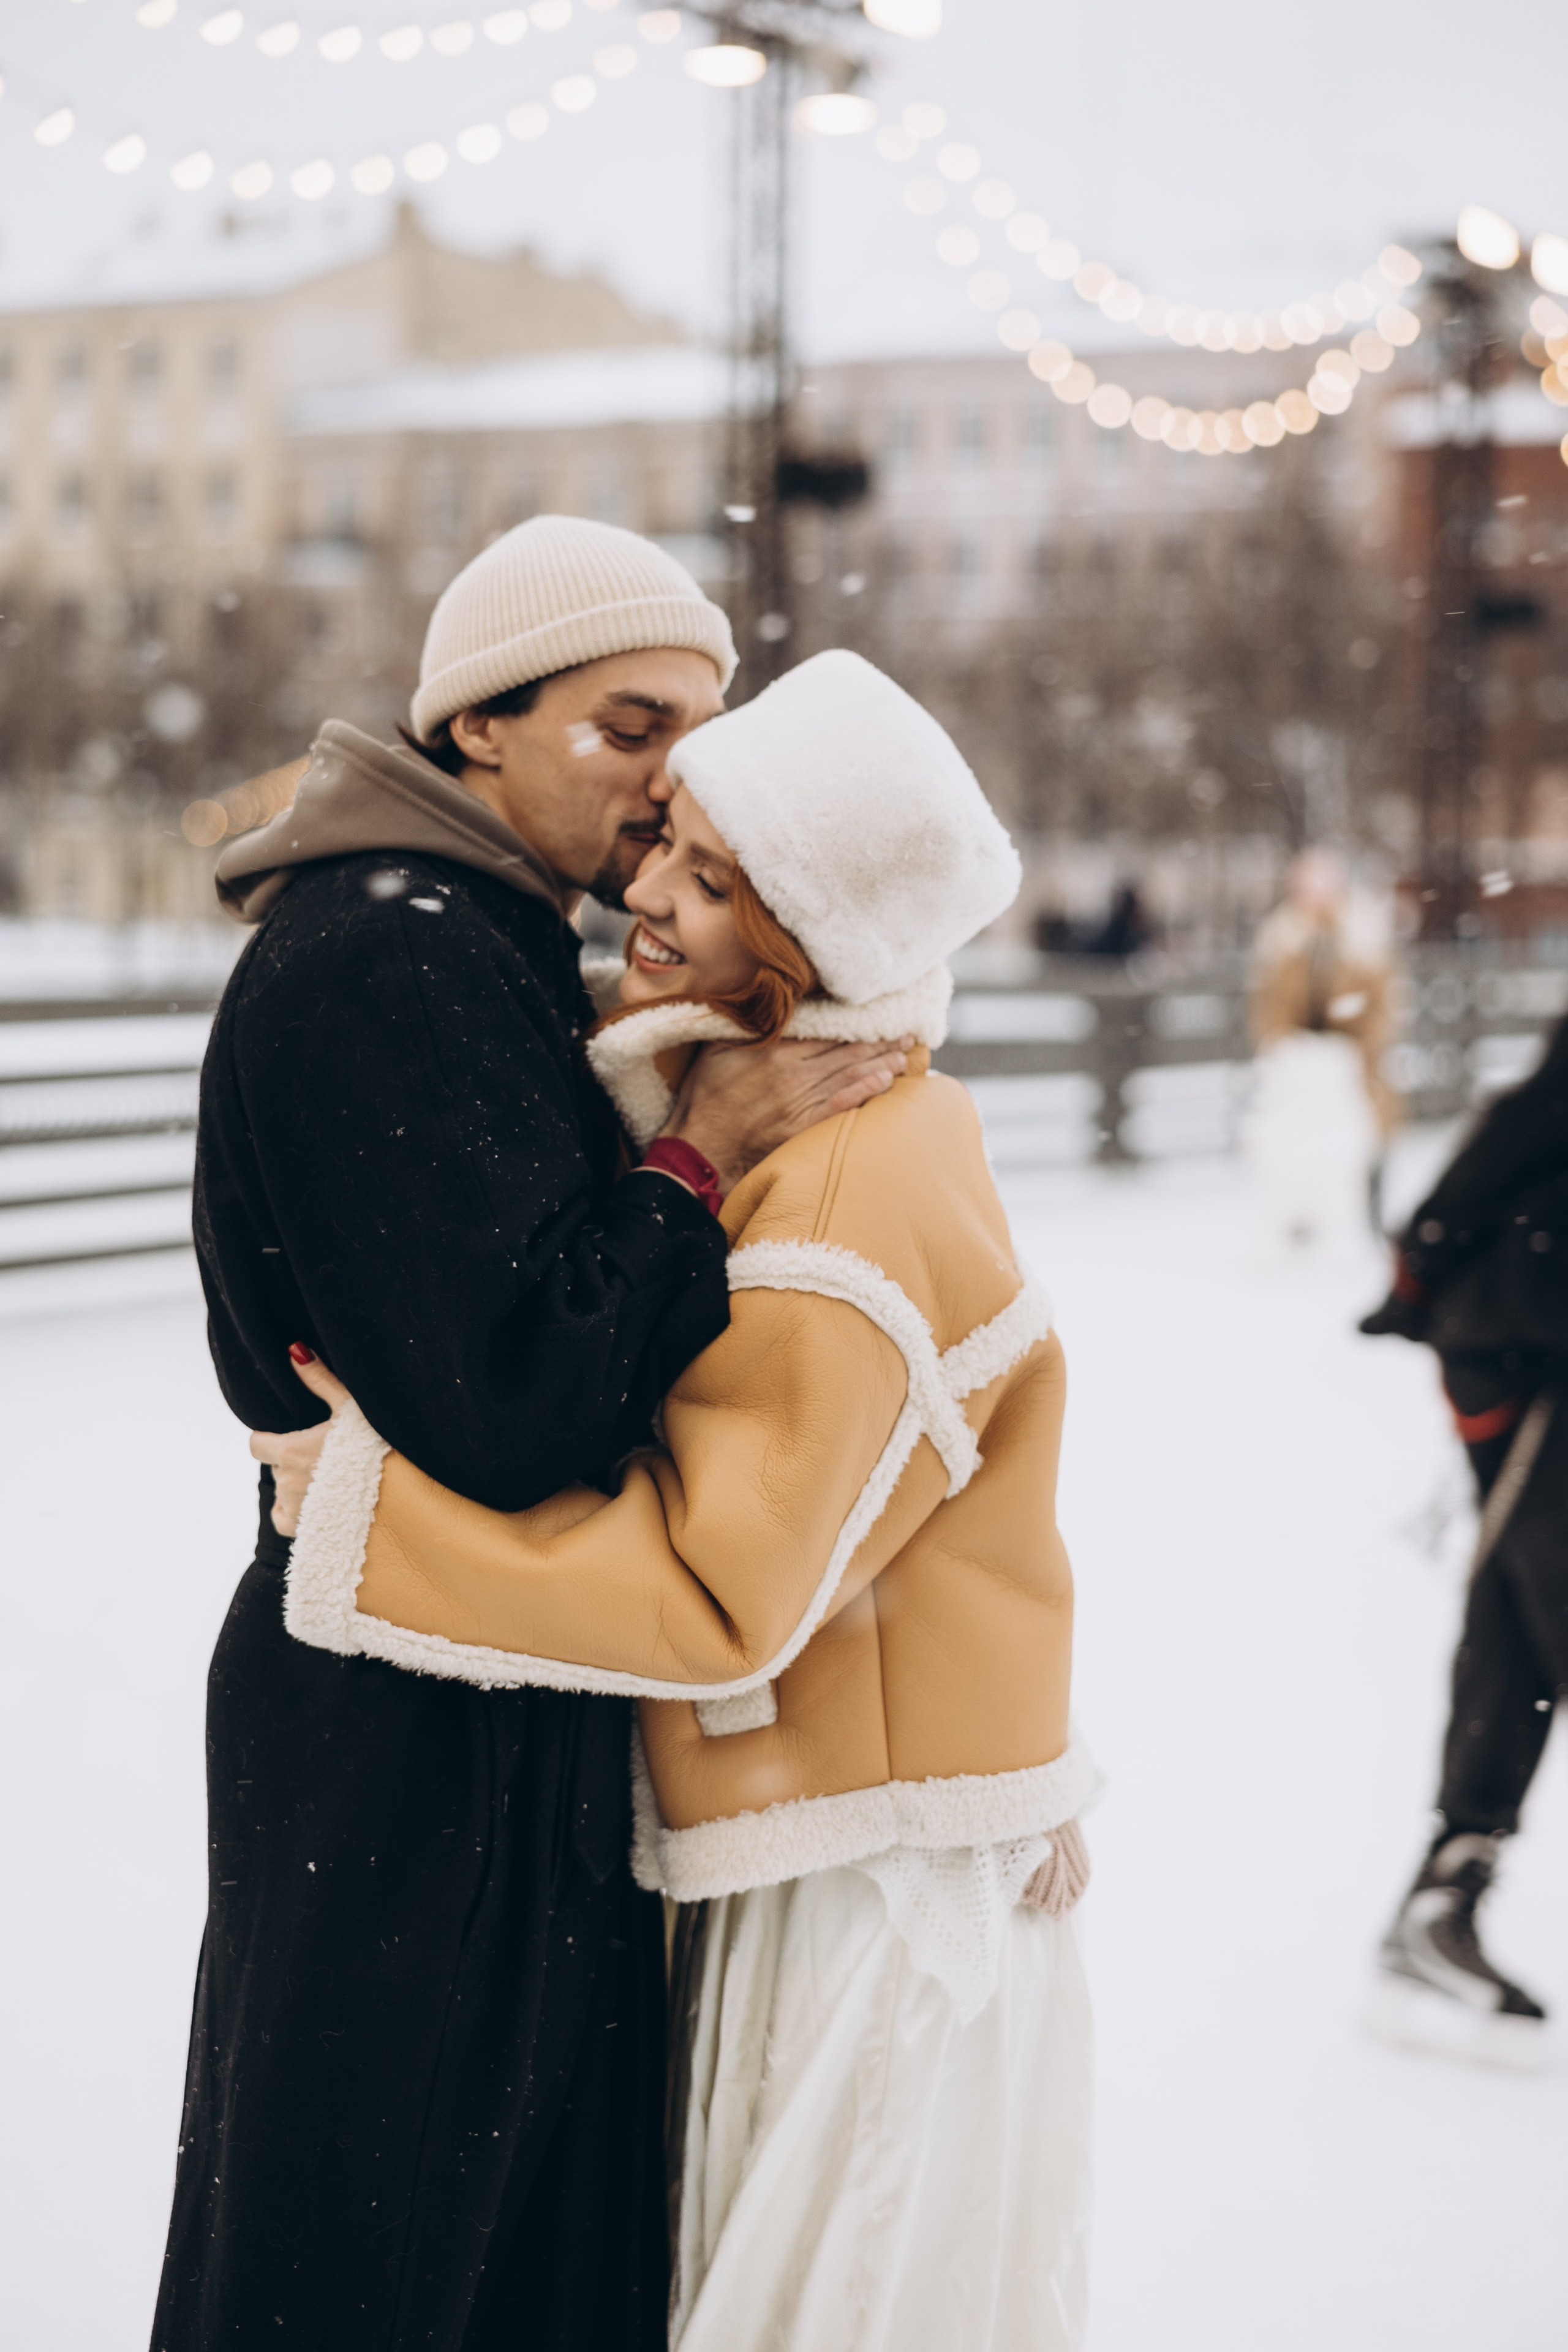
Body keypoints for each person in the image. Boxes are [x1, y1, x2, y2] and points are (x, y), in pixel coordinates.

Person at [254, 649, 1099, 2352]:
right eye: (670, 844)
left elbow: (726, 1599)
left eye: (715, 881)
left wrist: (367, 1503)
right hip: (849, 1841)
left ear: (819, 940)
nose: (644, 890)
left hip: (860, 1909)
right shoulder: (818, 1122)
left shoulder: (837, 1200)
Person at [153, 519, 913, 2351]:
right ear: (475, 725)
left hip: (475, 1681)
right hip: (404, 1716)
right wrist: (696, 1153)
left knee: (480, 2244)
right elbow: (519, 1400)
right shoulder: (382, 960)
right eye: (624, 722)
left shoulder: (479, 943)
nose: (670, 782)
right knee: (385, 2252)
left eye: (695, 735)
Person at [1360, 1010, 1568, 2064]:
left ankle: (1443, 1902)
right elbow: (1509, 1145)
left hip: (1515, 1347)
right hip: (1528, 1354)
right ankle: (1443, 1898)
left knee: (1521, 1629)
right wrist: (1417, 1275)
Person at [1245, 846, 1398, 1250]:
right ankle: (1299, 1227)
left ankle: (1367, 1222)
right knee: (1292, 1145)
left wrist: (1358, 1047)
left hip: (1355, 1067)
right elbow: (1268, 1007)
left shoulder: (1364, 939)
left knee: (1367, 1137)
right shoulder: (1283, 940)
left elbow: (1381, 1006)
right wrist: (1284, 1047)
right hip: (1301, 1071)